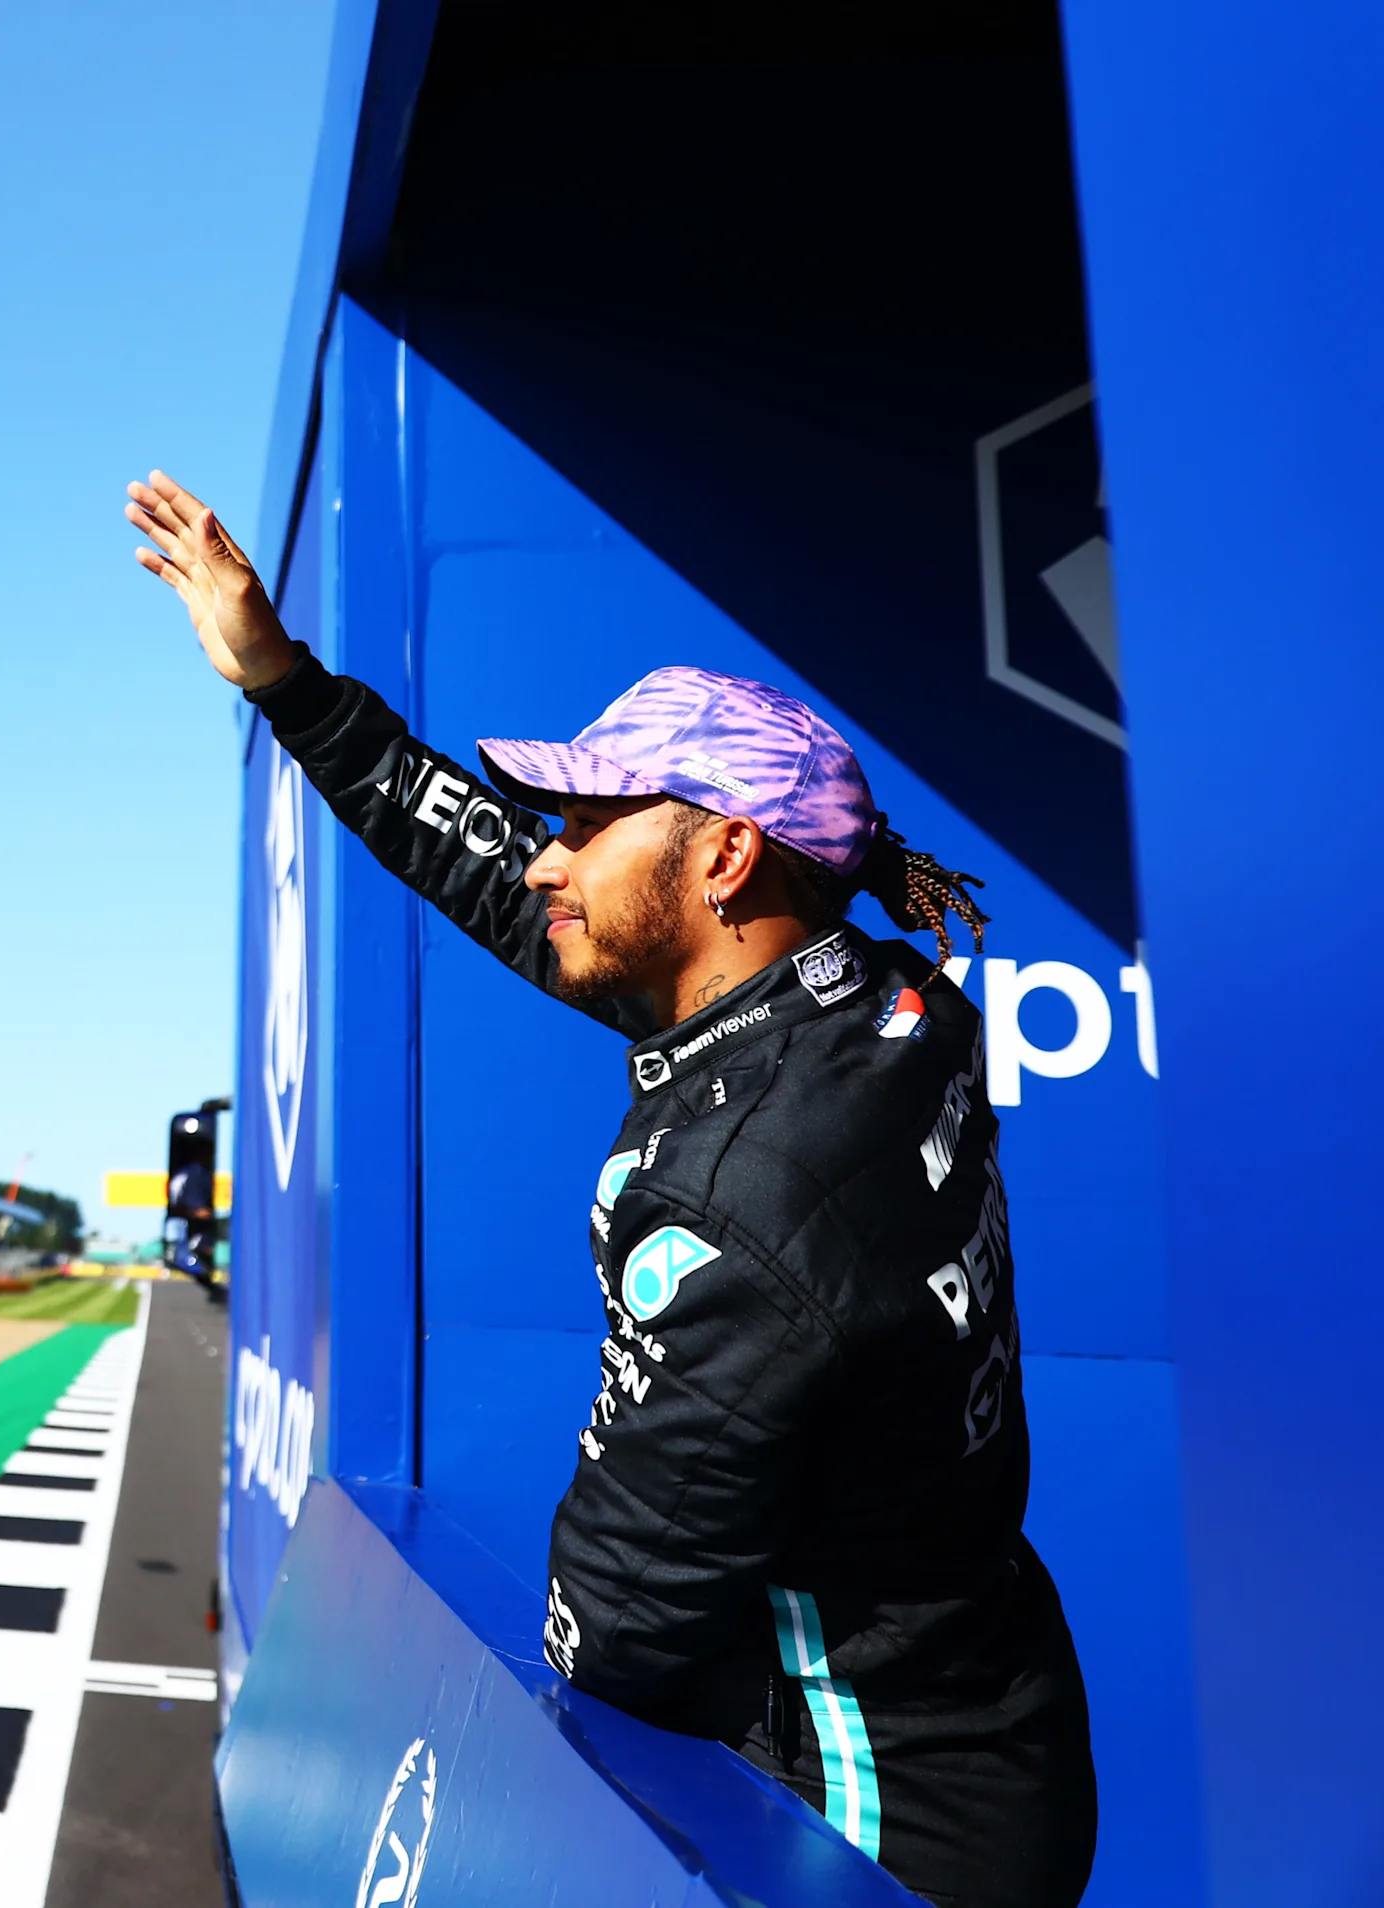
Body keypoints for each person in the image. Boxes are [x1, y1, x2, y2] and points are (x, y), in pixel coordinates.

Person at [127, 472, 1096, 1908]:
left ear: (722, 851)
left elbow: (622, 1625)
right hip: (988, 1718)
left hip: (872, 1820)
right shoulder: (854, 995)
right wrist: (286, 682)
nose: (546, 853)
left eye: (587, 819)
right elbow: (498, 882)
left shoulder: (744, 1188)